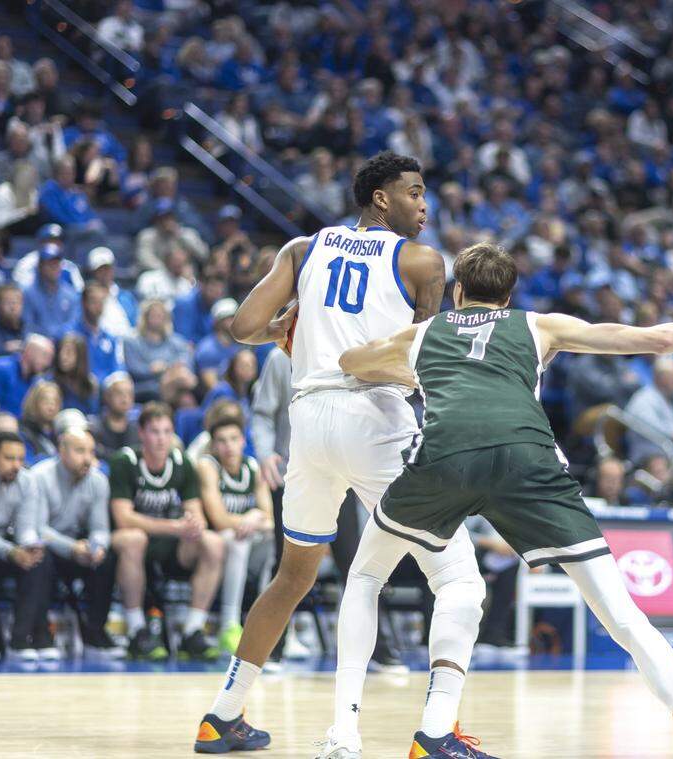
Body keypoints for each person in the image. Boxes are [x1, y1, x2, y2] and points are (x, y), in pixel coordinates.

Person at [337, 242, 673, 758]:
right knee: (623, 617)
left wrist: (412, 367)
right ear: (509, 296)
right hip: (527, 459)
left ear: (458, 291)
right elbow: (649, 339)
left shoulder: (423, 333)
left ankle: (345, 731)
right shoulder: (538, 326)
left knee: (366, 575)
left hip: (446, 456)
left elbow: (353, 362)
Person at [193, 152, 486, 757]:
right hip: (374, 415)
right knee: (456, 575)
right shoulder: (423, 260)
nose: (424, 205)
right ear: (381, 198)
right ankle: (435, 732)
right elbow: (428, 360)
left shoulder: (304, 247)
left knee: (294, 575)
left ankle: (222, 716)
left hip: (309, 420)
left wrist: (282, 330)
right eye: (414, 192)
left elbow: (242, 325)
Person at [109, 402, 226, 661]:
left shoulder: (182, 463)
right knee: (133, 538)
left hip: (172, 545)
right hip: (131, 543)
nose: (161, 439)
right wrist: (174, 527)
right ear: (141, 433)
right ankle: (137, 630)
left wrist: (194, 525)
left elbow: (196, 513)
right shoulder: (125, 462)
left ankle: (193, 631)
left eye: (166, 432)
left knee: (213, 542)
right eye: (154, 431)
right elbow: (123, 518)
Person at [35, 427, 120, 656]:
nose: (88, 458)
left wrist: (97, 547)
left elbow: (101, 529)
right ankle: (40, 632)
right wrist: (71, 548)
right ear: (62, 451)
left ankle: (95, 632)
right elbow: (38, 529)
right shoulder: (40, 477)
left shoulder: (98, 480)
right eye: (80, 451)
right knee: (40, 557)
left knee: (107, 559)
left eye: (91, 451)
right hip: (50, 546)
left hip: (78, 547)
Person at [196, 415, 274, 655]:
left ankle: (273, 627)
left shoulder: (252, 467)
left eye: (233, 439)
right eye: (221, 441)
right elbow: (219, 521)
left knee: (276, 545)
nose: (228, 446)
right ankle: (229, 626)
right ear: (213, 444)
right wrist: (251, 518)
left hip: (248, 546)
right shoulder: (208, 466)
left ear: (243, 440)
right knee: (236, 539)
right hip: (211, 549)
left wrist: (255, 517)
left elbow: (270, 519)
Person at [0, 432, 54, 661]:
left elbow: (25, 527)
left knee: (41, 559)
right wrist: (11, 552)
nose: (17, 465)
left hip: (5, 543)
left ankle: (22, 640)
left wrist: (30, 546)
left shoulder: (27, 479)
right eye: (9, 458)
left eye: (21, 459)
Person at [0, 334, 54, 416]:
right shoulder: (0, 369)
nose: (47, 363)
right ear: (29, 351)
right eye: (44, 355)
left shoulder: (37, 381)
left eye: (50, 358)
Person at [90, 371, 138, 460]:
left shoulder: (137, 429)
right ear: (106, 396)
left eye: (129, 393)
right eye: (119, 393)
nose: (125, 398)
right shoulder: (95, 427)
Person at [53, 334, 99, 416]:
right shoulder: (51, 382)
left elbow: (93, 414)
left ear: (80, 356)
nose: (63, 357)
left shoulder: (89, 384)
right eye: (61, 351)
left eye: (69, 352)